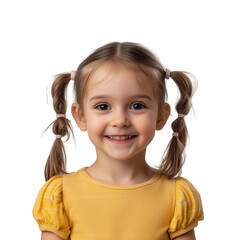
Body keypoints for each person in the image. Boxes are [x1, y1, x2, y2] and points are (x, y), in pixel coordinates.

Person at [32, 41, 204, 240]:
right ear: (80, 116)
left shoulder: (177, 196)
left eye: (137, 106)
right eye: (103, 106)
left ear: (161, 117)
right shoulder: (60, 195)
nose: (120, 120)